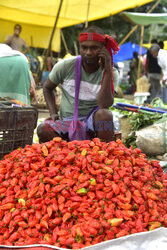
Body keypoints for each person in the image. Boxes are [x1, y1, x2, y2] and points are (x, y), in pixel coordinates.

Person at [37, 26, 119, 143]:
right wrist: (53, 113)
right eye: (84, 48)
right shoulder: (65, 66)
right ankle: (67, 154)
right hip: (68, 122)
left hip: (92, 123)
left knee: (105, 115)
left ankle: (102, 154)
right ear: (80, 47)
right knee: (43, 129)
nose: (88, 52)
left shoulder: (111, 72)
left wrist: (107, 71)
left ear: (103, 49)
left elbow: (105, 104)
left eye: (94, 48)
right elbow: (47, 87)